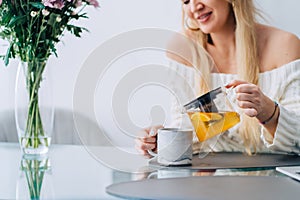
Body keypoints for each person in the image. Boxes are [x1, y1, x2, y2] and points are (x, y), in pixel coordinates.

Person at [135, 0, 300, 157]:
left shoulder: (285, 45)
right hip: (208, 182)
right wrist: (161, 141)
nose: (194, 7)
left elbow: (297, 141)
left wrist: (269, 112)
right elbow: (188, 133)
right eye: (185, 1)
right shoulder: (182, 48)